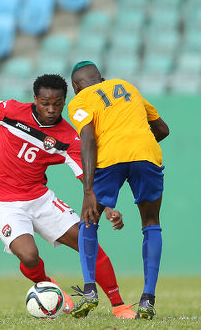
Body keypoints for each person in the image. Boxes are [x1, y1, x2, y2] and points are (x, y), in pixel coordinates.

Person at [0, 74, 136, 319]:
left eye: (57, 104)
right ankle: (48, 286)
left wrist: (108, 208)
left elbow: (86, 178)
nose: (51, 109)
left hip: (39, 198)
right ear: (35, 99)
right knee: (29, 255)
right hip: (2, 200)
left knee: (86, 242)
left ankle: (119, 305)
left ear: (64, 101)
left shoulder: (68, 137)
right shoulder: (12, 111)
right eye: (45, 103)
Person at [67, 62, 170, 320]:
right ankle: (147, 300)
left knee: (88, 220)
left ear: (75, 87)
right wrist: (136, 148)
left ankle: (90, 291)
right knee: (151, 223)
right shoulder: (127, 87)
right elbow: (162, 130)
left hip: (110, 158)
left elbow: (88, 139)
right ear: (102, 78)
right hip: (145, 154)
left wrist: (88, 189)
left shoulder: (80, 101)